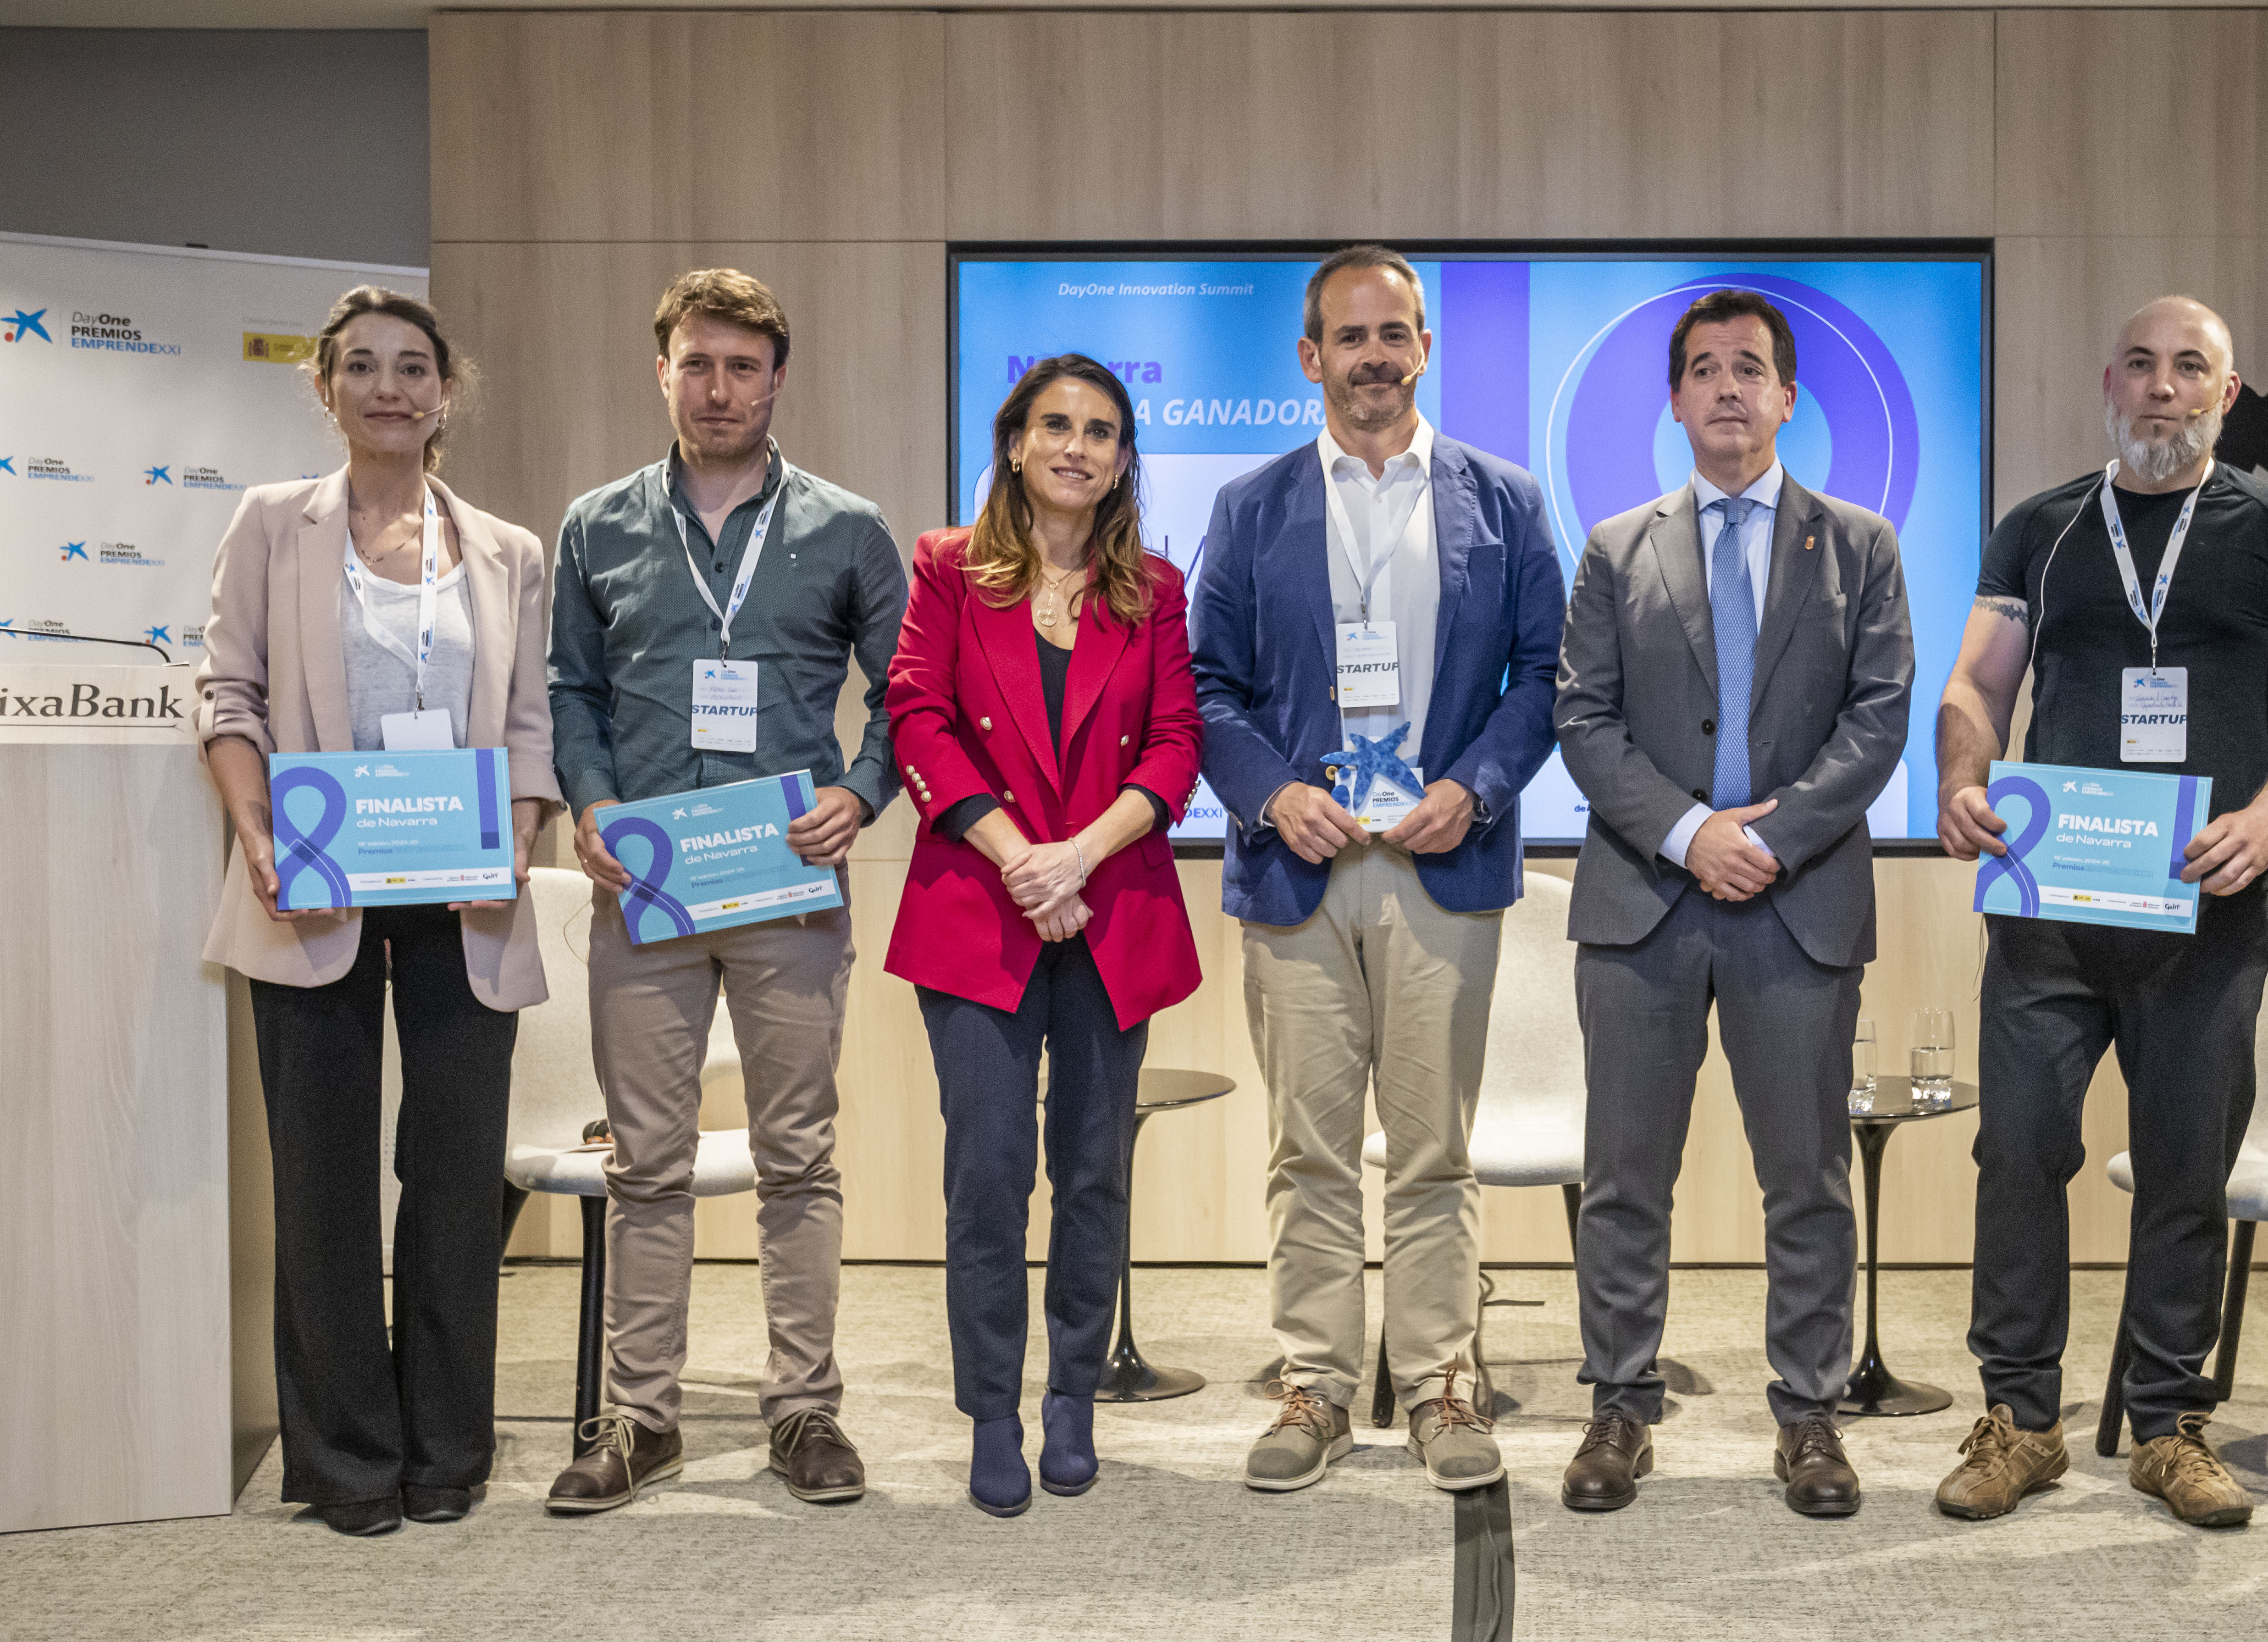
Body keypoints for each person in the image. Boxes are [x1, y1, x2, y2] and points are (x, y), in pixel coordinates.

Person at [1929, 297, 2268, 1529]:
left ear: (2227, 394)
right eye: (2141, 366)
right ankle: (2020, 1420)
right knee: (2017, 1151)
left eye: (2191, 369)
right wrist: (1962, 781)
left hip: (2207, 904)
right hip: (2050, 911)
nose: (2163, 389)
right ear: (2106, 385)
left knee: (2185, 1166)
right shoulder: (2044, 528)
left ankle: (2169, 1424)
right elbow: (1977, 677)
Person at [1189, 245, 1565, 1494]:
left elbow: (1547, 677)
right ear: (1310, 358)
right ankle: (1315, 1386)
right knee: (1307, 1149)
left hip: (1439, 863)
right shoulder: (1250, 507)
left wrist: (1476, 788)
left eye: (1392, 334)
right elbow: (1210, 689)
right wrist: (1271, 792)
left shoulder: (1503, 500)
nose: (1372, 358)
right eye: (1347, 338)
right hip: (1297, 865)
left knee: (1433, 1149)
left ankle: (1444, 1384)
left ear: (1424, 346)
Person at [542, 268, 908, 1513]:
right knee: (646, 1165)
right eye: (696, 364)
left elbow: (908, 696)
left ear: (778, 379)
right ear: (661, 372)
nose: (718, 388)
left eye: (742, 367)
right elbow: (571, 693)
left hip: (787, 879)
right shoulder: (596, 525)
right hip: (645, 889)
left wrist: (860, 791)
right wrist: (589, 804)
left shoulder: (846, 529)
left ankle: (804, 1407)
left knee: (796, 1156)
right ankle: (641, 1420)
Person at [198, 287, 556, 1537]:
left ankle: (446, 1447)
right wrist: (255, 828)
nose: (390, 387)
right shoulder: (269, 526)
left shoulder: (507, 549)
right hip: (314, 890)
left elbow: (527, 729)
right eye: (364, 367)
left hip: (465, 896)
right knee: (326, 1180)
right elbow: (227, 694)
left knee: (456, 1178)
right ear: (328, 389)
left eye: (413, 367)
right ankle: (348, 1460)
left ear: (445, 393)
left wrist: (516, 837)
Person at [1551, 288, 1912, 1518]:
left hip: (1798, 902)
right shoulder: (1615, 547)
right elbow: (1582, 721)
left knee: (1805, 1177)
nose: (1725, 389)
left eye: (1748, 369)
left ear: (1787, 396)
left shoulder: (1859, 545)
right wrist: (1692, 832)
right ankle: (1617, 1406)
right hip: (1645, 901)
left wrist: (1775, 838)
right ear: (1674, 399)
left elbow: (1879, 718)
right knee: (1624, 1179)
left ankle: (1810, 1417)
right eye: (1702, 369)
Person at [883, 355, 1204, 1516]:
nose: (1078, 445)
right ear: (1015, 440)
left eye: (1102, 431)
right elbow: (914, 710)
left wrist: (1078, 856)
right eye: (1056, 424)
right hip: (981, 902)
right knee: (987, 1176)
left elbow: (1176, 742)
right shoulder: (944, 568)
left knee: (1092, 1168)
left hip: (1110, 904)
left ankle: (1072, 1395)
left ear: (1124, 459)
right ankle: (991, 1412)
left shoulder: (1155, 588)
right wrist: (1021, 854)